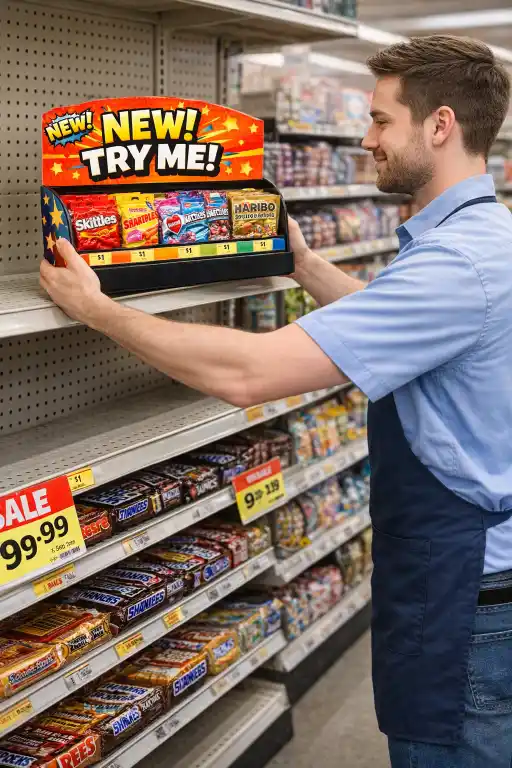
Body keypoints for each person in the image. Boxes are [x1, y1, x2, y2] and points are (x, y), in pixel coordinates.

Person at [40, 34, 512, 768]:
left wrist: (98, 310)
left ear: (441, 124)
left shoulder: (456, 263)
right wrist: (303, 261)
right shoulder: (482, 240)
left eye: (382, 120)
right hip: (463, 576)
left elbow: (251, 373)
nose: (367, 139)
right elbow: (395, 334)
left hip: (460, 597)